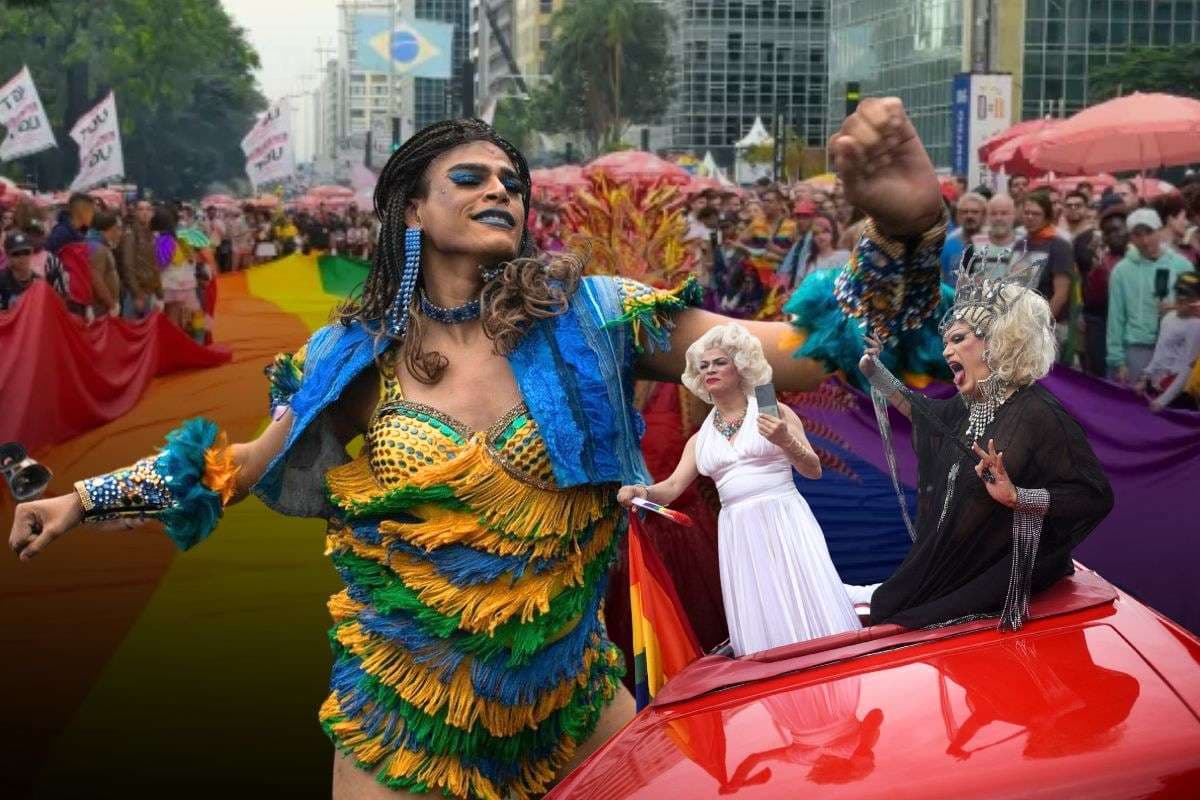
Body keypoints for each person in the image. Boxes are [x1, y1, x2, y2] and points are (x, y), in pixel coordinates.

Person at [9, 102, 946, 798]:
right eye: (471, 177)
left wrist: (907, 234)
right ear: (409, 211)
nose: (502, 188)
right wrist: (84, 501)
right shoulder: (349, 354)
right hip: (399, 729)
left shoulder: (597, 318)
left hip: (572, 712)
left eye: (513, 182)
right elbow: (230, 471)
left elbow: (800, 354)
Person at [859, 251, 1113, 630]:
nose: (947, 351)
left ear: (996, 341)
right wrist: (875, 372)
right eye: (946, 342)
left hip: (1002, 570)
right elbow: (921, 411)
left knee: (901, 613)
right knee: (890, 605)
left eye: (958, 339)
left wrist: (1018, 497)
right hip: (959, 564)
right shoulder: (969, 407)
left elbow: (1094, 495)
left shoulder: (1039, 413)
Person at [618, 324, 859, 656]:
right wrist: (640, 492)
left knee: (802, 598)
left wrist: (785, 440)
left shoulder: (774, 413)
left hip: (782, 518)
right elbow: (671, 488)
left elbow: (813, 469)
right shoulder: (700, 438)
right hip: (738, 533)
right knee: (760, 609)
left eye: (718, 362)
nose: (710, 371)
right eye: (703, 367)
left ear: (741, 365)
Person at [1106, 207, 1194, 383]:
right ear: (1131, 237)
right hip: (1137, 347)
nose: (1145, 240)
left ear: (1160, 231)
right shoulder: (1122, 271)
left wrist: (1176, 308)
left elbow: (1194, 308)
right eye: (1138, 235)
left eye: (1150, 232)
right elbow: (1116, 317)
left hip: (1175, 347)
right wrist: (1117, 360)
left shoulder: (1182, 265)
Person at [1075, 206, 1128, 377]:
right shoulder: (1100, 265)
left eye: (1119, 229)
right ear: (1104, 236)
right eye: (1110, 231)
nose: (1116, 235)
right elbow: (1092, 301)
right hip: (1102, 325)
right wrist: (1098, 273)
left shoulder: (1142, 261)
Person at [1138, 272, 1200, 412]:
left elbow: (1188, 368)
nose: (1181, 298)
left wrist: (1164, 400)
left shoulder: (1196, 325)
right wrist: (1145, 376)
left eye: (1188, 296)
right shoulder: (1168, 317)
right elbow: (1159, 353)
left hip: (1178, 394)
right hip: (1158, 385)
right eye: (1179, 293)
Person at [1017, 191, 1074, 331]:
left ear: (1046, 216)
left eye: (1036, 214)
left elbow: (1061, 294)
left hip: (1047, 327)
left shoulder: (1059, 246)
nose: (1030, 217)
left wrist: (1041, 325)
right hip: (1020, 323)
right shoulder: (1020, 244)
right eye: (1026, 212)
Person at [118, 199, 163, 319]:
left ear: (153, 213)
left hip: (150, 290)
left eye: (148, 209)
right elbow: (128, 266)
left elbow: (156, 265)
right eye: (141, 209)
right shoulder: (130, 234)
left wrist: (159, 292)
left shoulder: (153, 235)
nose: (145, 212)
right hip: (136, 292)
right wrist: (136, 293)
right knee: (131, 332)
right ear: (136, 212)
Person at [941, 192, 987, 286]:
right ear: (958, 215)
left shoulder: (995, 243)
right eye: (965, 212)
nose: (969, 216)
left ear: (984, 215)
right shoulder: (948, 243)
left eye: (975, 212)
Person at [85, 211, 122, 319]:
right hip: (101, 307)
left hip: (102, 306)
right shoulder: (98, 249)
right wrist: (111, 304)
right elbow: (96, 280)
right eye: (116, 229)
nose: (119, 233)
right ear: (108, 230)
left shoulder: (97, 245)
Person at [1152, 192, 1198, 268]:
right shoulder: (1162, 250)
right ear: (1170, 219)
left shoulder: (1179, 244)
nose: (1187, 223)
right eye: (1184, 217)